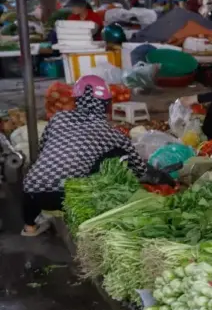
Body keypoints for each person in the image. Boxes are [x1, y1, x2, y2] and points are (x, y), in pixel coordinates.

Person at [21, 76, 146, 236]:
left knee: (36, 176)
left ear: (77, 100)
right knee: (116, 154)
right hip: (67, 196)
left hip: (31, 192)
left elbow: (42, 148)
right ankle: (85, 222)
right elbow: (139, 169)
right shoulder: (110, 133)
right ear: (106, 104)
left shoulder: (58, 119)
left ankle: (30, 227)